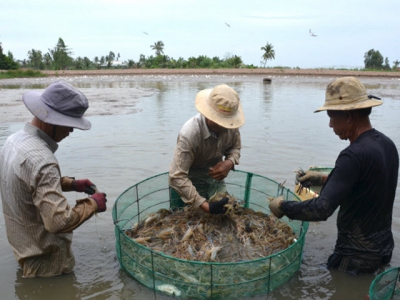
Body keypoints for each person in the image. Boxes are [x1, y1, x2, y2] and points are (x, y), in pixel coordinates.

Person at [269, 76, 399, 275]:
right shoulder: (387, 145)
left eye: (331, 116)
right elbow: (367, 186)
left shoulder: (351, 155)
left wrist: (283, 207)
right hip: (383, 249)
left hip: (355, 257)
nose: (330, 124)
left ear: (348, 116)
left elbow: (321, 210)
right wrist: (322, 179)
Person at [0, 80, 107, 278]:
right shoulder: (43, 160)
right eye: (69, 124)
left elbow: (26, 182)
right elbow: (58, 222)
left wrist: (71, 184)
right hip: (48, 264)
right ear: (50, 120)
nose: (71, 131)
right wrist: (93, 204)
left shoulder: (12, 141)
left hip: (24, 250)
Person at [169, 84, 245, 214]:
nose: (224, 125)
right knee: (184, 221)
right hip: (188, 184)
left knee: (225, 216)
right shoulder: (190, 134)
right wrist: (205, 206)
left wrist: (229, 162)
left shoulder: (231, 126)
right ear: (208, 114)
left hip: (214, 180)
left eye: (226, 122)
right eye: (220, 121)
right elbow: (177, 177)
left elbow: (235, 147)